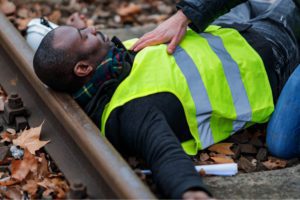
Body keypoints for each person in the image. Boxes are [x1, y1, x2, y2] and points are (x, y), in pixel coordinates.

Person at [32, 0, 300, 199]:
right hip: (269, 52)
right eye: (83, 36)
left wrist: (187, 15)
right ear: (82, 69)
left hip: (227, 30)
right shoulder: (131, 111)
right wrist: (190, 191)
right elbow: (162, 152)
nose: (91, 29)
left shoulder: (111, 63)